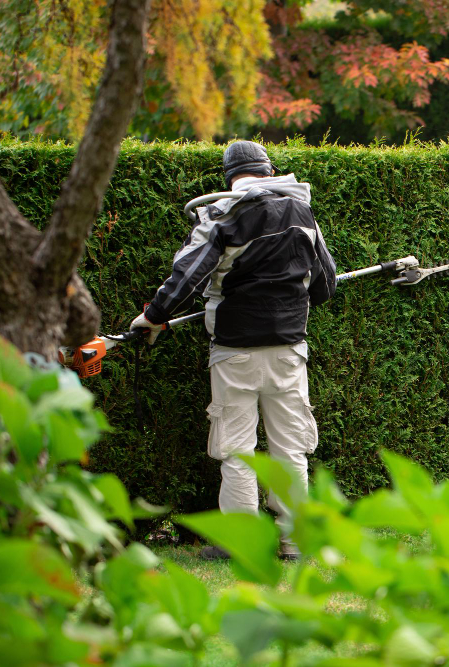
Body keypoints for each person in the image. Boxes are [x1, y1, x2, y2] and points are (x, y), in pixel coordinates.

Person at [131, 141, 337, 561]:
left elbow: (187, 276)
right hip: (288, 351)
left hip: (234, 352)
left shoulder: (222, 214)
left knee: (238, 450)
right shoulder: (302, 213)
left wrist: (152, 316)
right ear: (269, 170)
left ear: (229, 178)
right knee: (290, 450)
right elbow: (325, 285)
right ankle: (294, 543)